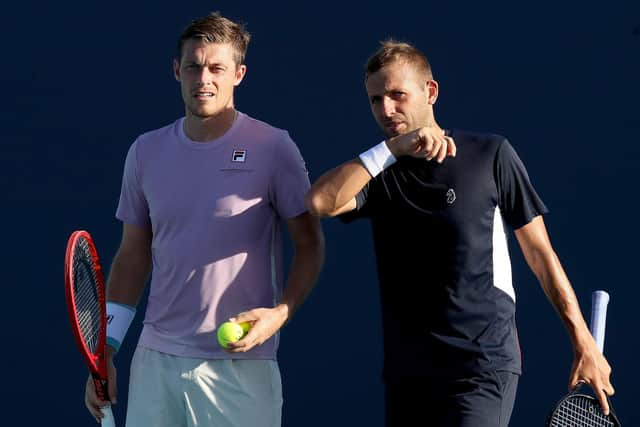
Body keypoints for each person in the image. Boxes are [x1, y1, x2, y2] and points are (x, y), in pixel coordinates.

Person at [305, 40, 614, 427]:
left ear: (430, 92)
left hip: (482, 366)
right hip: (408, 376)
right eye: (375, 99)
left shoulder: (491, 155)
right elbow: (320, 202)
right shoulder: (378, 173)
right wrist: (392, 149)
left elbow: (540, 255)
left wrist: (582, 340)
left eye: (397, 95)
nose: (386, 109)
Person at [83, 12, 325, 427]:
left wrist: (279, 313)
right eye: (193, 66)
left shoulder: (273, 147)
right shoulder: (145, 151)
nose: (203, 79)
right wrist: (106, 350)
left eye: (216, 68)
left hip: (240, 367)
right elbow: (132, 256)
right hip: (155, 361)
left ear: (239, 74)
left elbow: (310, 245)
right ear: (177, 70)